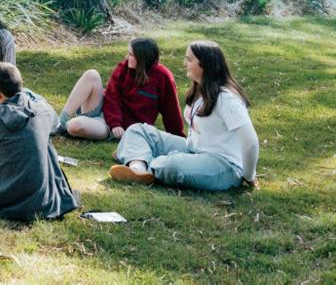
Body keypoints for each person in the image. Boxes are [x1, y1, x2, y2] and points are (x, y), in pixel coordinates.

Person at [111, 40, 259, 192]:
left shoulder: (226, 99)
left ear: (204, 64)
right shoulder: (201, 91)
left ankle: (135, 156)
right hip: (192, 149)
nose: (184, 63)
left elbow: (251, 142)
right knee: (137, 130)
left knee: (172, 165)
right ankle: (137, 168)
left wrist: (248, 176)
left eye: (189, 60)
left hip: (223, 165)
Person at [0, 62, 79, 221]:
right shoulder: (43, 110)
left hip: (6, 195)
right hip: (43, 198)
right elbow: (54, 126)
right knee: (47, 144)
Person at [57, 38, 185, 140]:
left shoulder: (163, 76)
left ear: (142, 58)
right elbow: (112, 96)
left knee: (75, 126)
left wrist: (178, 138)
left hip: (114, 126)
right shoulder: (124, 67)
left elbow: (171, 110)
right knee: (91, 74)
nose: (127, 57)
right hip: (107, 112)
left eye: (131, 55)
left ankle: (72, 124)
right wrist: (115, 122)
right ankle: (59, 123)